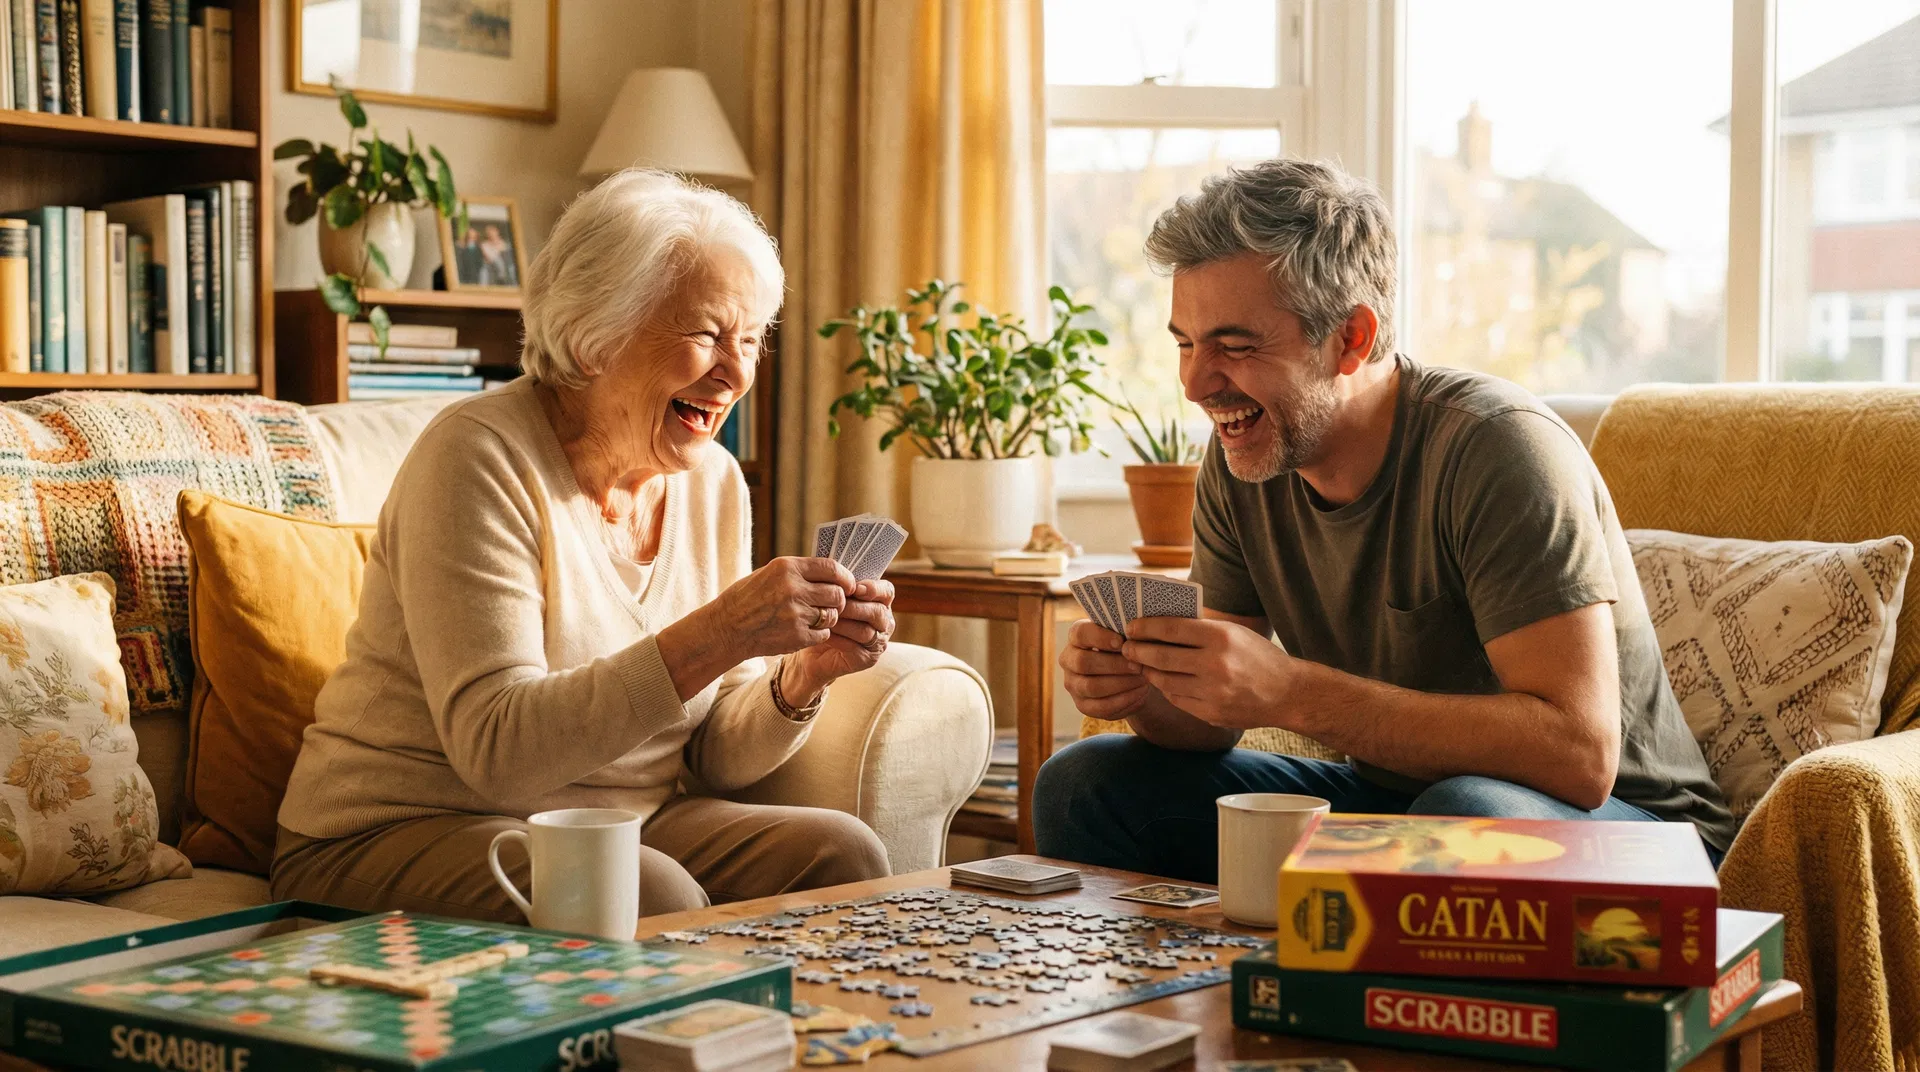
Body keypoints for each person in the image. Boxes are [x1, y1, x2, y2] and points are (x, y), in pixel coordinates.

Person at [1034, 160, 1734, 883]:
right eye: (1186, 343)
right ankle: (1193, 996)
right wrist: (1149, 693)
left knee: (1459, 815)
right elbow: (1213, 720)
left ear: (1351, 338)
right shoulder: (1250, 455)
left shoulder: (1499, 448)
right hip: (1402, 809)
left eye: (1236, 347)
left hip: (1637, 836)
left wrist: (1292, 691)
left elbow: (1580, 756)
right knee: (1085, 783)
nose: (1194, 383)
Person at [273, 169, 894, 919]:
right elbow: (499, 754)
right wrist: (721, 631)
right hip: (400, 828)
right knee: (641, 888)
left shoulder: (713, 482)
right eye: (707, 335)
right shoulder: (475, 459)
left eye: (752, 340)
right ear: (597, 331)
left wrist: (802, 679)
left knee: (843, 855)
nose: (735, 373)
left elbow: (715, 759)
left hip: (621, 825)